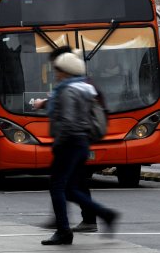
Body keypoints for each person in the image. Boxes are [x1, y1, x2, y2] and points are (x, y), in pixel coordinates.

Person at [35, 47, 119, 245]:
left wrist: (59, 144)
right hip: (80, 143)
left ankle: (63, 231)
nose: (55, 74)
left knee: (56, 187)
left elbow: (69, 121)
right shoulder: (83, 88)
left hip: (69, 144)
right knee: (71, 189)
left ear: (65, 71)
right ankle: (106, 215)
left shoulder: (67, 90)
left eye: (57, 70)